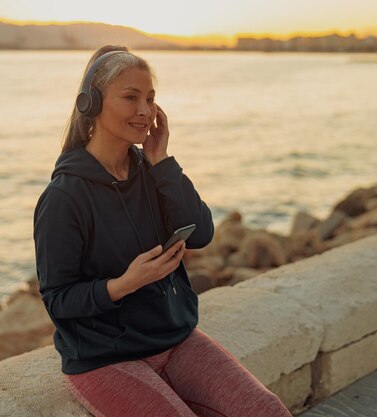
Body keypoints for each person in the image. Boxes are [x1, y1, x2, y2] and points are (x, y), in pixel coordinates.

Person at [33, 45, 293, 417]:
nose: (144, 110)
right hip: (103, 357)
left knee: (267, 409)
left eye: (151, 99)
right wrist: (125, 284)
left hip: (173, 339)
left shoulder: (154, 172)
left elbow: (201, 233)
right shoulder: (64, 198)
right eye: (130, 97)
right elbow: (58, 299)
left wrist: (162, 161)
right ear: (92, 103)